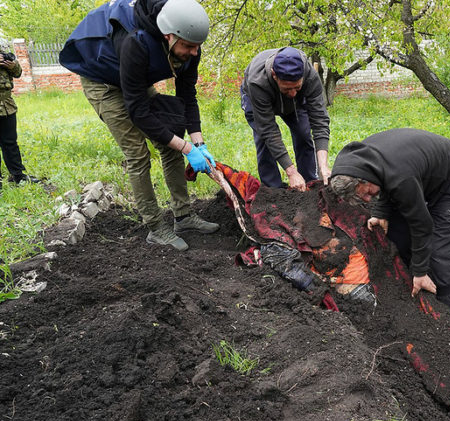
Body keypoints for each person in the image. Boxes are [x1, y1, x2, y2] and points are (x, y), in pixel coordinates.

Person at [59, 0, 219, 251]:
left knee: (170, 144)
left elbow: (187, 95)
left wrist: (199, 142)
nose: (194, 52)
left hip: (134, 77)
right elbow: (139, 112)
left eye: (198, 47)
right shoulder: (135, 42)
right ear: (169, 36)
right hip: (104, 81)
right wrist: (187, 148)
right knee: (137, 154)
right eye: (189, 47)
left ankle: (184, 216)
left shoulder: (189, 41)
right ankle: (155, 227)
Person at [330, 128, 450, 314]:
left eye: (366, 193)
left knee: (443, 256)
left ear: (364, 180)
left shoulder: (400, 178)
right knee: (397, 239)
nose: (367, 200)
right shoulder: (356, 164)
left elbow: (422, 225)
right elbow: (383, 177)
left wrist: (420, 272)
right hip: (414, 174)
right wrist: (381, 212)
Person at [240, 47, 330, 191]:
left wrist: (323, 166)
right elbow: (268, 130)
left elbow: (319, 120)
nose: (293, 93)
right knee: (264, 140)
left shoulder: (310, 76)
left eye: (297, 87)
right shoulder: (257, 81)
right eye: (287, 89)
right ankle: (274, 191)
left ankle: (308, 184)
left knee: (303, 133)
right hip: (257, 97)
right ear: (274, 75)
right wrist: (291, 171)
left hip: (293, 105)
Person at [0, 45, 39, 187]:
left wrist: (12, 65)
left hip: (6, 104)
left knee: (10, 143)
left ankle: (18, 176)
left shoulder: (2, 50)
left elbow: (18, 73)